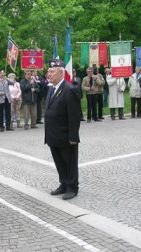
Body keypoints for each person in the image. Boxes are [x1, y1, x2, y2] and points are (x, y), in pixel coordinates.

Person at [45, 59, 80, 200]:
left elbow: (74, 116)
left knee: (69, 162)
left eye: (52, 71)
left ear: (61, 73)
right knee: (59, 162)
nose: (49, 74)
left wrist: (73, 137)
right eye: (48, 71)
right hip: (53, 135)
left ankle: (72, 187)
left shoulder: (69, 89)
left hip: (65, 136)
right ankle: (64, 184)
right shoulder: (51, 89)